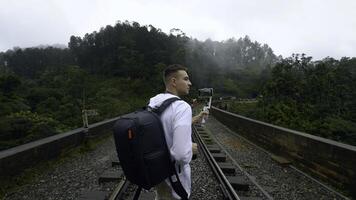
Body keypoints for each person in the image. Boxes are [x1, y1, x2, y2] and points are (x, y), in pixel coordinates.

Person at [148, 64, 207, 200]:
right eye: (186, 79)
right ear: (174, 82)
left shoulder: (154, 101)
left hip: (158, 171)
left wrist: (195, 119)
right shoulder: (182, 107)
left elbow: (166, 124)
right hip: (175, 177)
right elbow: (180, 155)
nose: (190, 83)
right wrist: (190, 149)